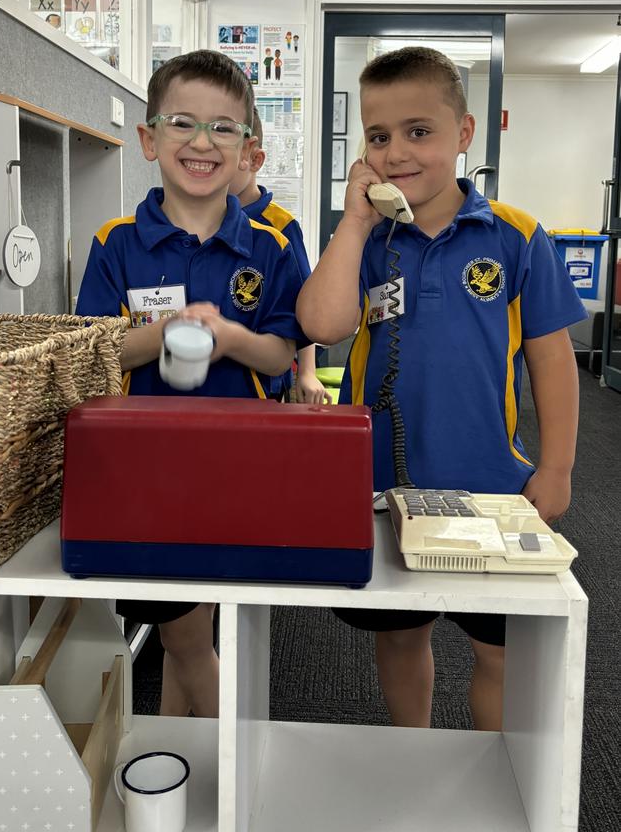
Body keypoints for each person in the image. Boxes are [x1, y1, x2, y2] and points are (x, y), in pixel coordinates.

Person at [297, 46, 586, 731]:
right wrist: (358, 221)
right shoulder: (366, 241)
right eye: (378, 136)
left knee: (502, 649)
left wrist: (558, 465)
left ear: (463, 134)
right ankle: (413, 748)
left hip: (492, 486)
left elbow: (551, 358)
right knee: (401, 634)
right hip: (384, 484)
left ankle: (492, 767)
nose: (396, 152)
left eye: (418, 131)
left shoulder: (515, 235)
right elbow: (321, 321)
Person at [76, 50, 306, 719]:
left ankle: (210, 766)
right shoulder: (116, 242)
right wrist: (169, 329)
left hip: (243, 467)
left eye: (223, 128)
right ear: (149, 139)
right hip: (145, 471)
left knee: (194, 629)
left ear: (246, 150)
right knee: (183, 633)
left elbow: (277, 359)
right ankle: (216, 762)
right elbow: (100, 349)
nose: (202, 143)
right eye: (182, 123)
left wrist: (229, 337)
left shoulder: (271, 248)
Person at [229, 108, 331, 404]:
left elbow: (303, 302)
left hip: (268, 385)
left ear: (253, 159)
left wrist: (307, 373)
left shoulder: (280, 226)